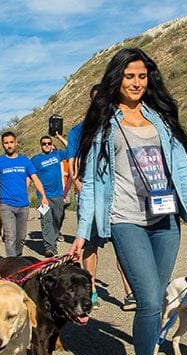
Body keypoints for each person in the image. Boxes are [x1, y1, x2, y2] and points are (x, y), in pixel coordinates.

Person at [69, 48, 187, 355]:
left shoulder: (160, 118)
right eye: (129, 77)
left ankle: (145, 350)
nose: (136, 83)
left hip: (165, 221)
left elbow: (182, 170)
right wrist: (83, 231)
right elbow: (94, 184)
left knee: (158, 299)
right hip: (125, 218)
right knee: (147, 299)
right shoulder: (102, 124)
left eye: (142, 77)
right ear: (117, 79)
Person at [58, 83, 137, 311]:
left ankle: (130, 291)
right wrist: (80, 185)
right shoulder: (77, 131)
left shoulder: (120, 126)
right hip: (90, 194)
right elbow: (73, 164)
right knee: (90, 244)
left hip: (118, 194)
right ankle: (90, 290)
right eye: (96, 99)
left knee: (122, 244)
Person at [0, 131, 49, 257]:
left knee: (21, 237)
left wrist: (43, 196)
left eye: (11, 142)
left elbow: (36, 179)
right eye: (6, 143)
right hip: (6, 205)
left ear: (16, 143)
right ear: (3, 145)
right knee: (10, 236)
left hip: (23, 205)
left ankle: (17, 259)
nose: (9, 145)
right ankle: (12, 266)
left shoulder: (25, 161)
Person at [30, 135, 72, 257]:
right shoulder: (35, 159)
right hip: (43, 196)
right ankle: (50, 247)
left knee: (57, 220)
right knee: (46, 220)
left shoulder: (57, 155)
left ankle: (54, 237)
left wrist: (59, 137)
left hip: (58, 195)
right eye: (44, 143)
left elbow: (71, 149)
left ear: (52, 144)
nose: (47, 145)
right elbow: (30, 175)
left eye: (49, 143)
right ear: (41, 146)